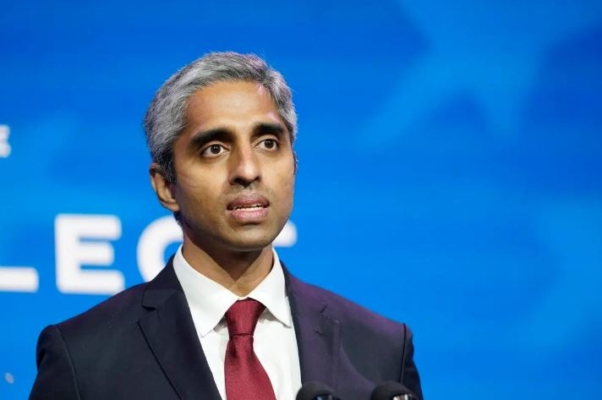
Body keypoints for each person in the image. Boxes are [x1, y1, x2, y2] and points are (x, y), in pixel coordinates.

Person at [29, 52, 423, 400]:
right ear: (166, 186)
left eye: (268, 143)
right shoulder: (85, 358)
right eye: (214, 149)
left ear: (295, 164)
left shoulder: (380, 349)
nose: (248, 170)